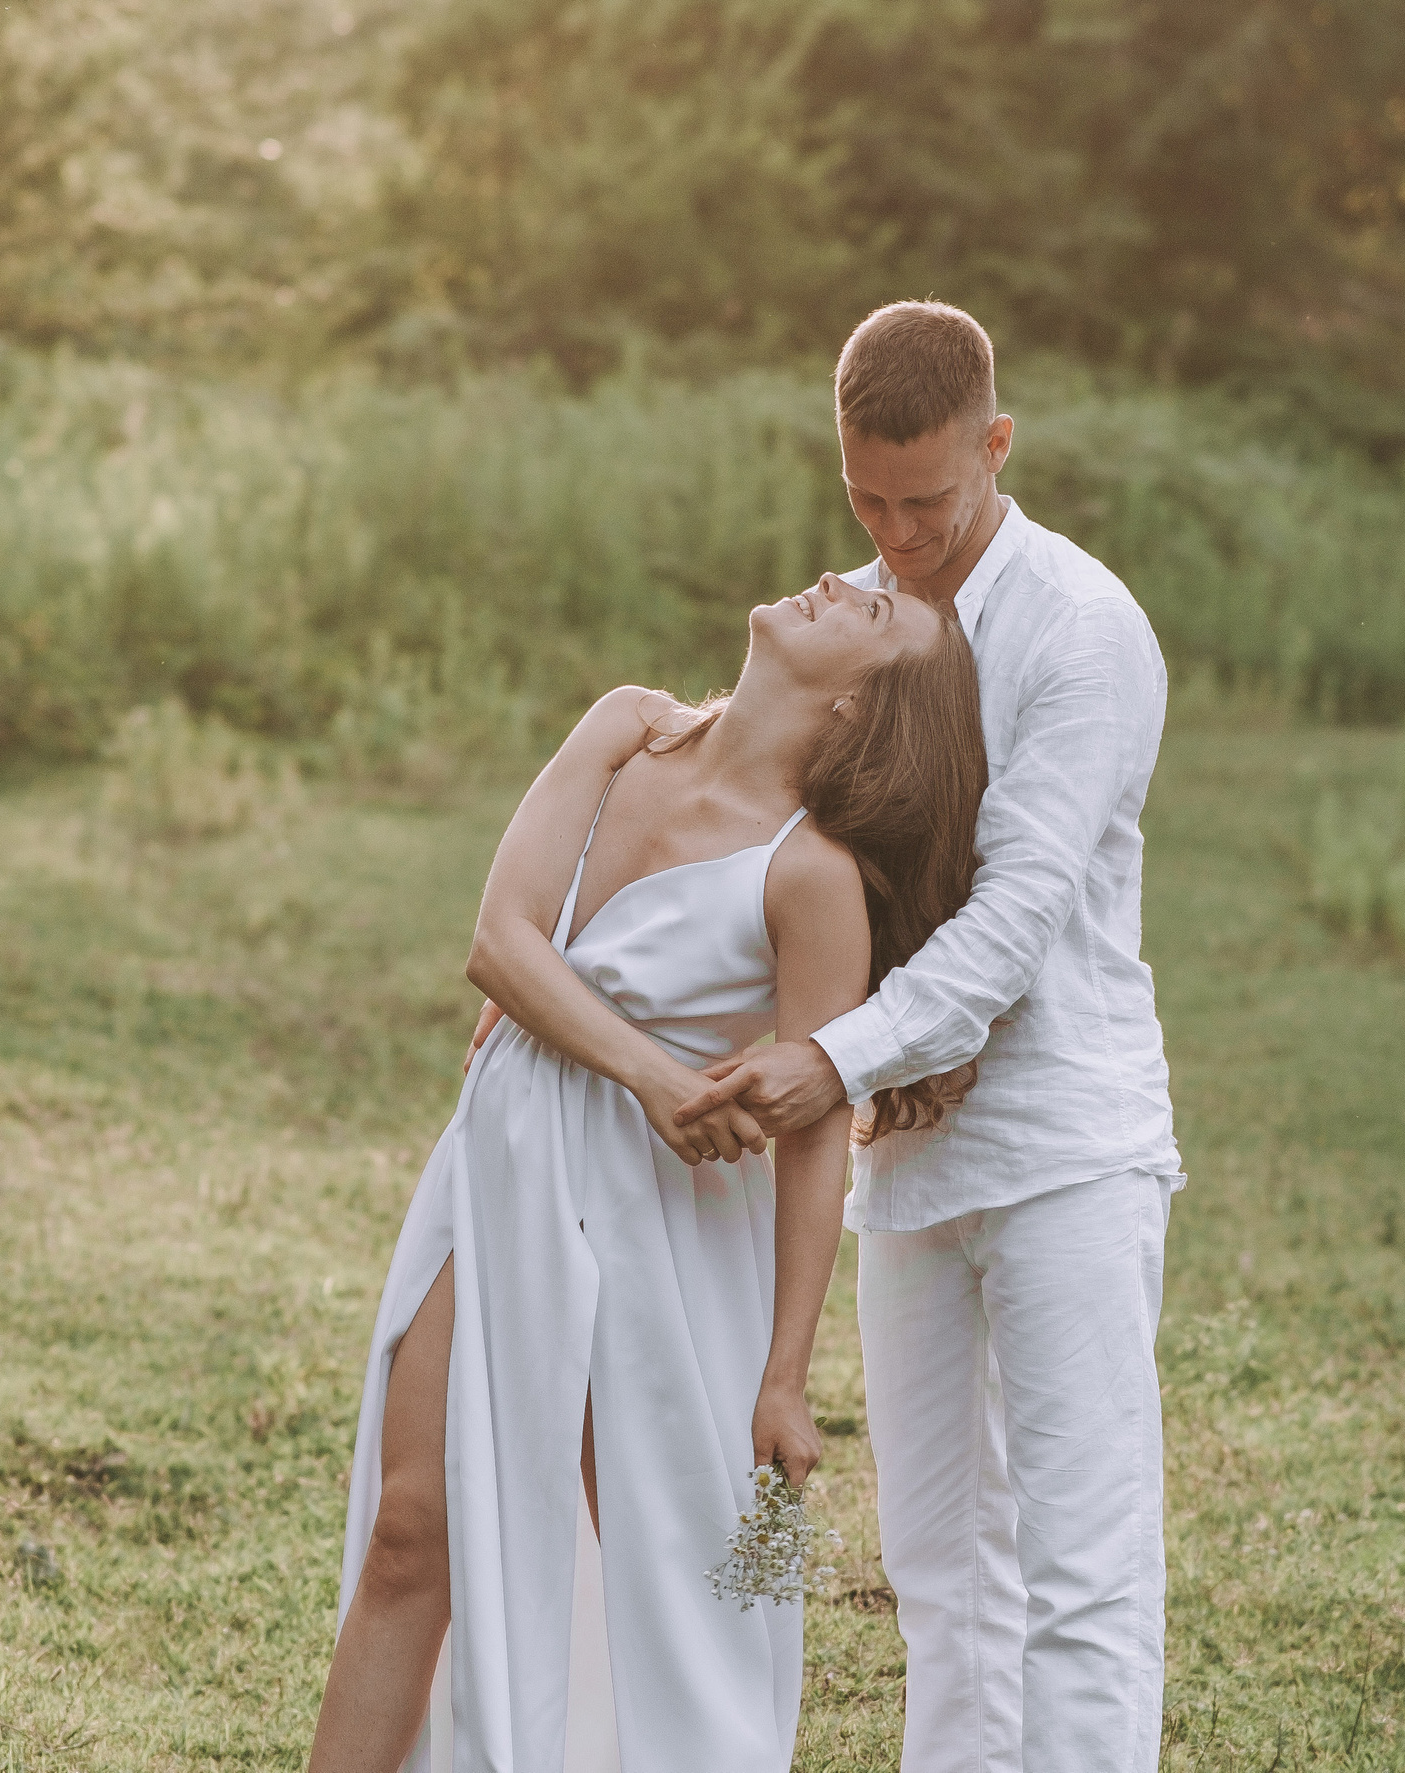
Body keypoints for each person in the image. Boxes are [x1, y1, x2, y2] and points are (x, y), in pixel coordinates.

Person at [310, 560, 988, 1772]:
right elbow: (499, 941)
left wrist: (786, 1375)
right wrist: (653, 1075)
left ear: (858, 709)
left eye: (873, 610)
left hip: (662, 1233)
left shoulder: (808, 875)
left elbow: (816, 1134)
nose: (837, 575)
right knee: (412, 1527)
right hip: (506, 1161)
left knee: (665, 1583)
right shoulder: (624, 729)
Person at [674, 301, 1183, 1773]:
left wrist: (831, 1059)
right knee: (941, 1576)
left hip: (1064, 1147)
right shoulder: (856, 617)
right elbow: (768, 842)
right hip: (908, 1160)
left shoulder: (1083, 629)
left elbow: (1018, 917)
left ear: (998, 446)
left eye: (930, 500)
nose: (895, 536)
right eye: (867, 499)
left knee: (1081, 1578)